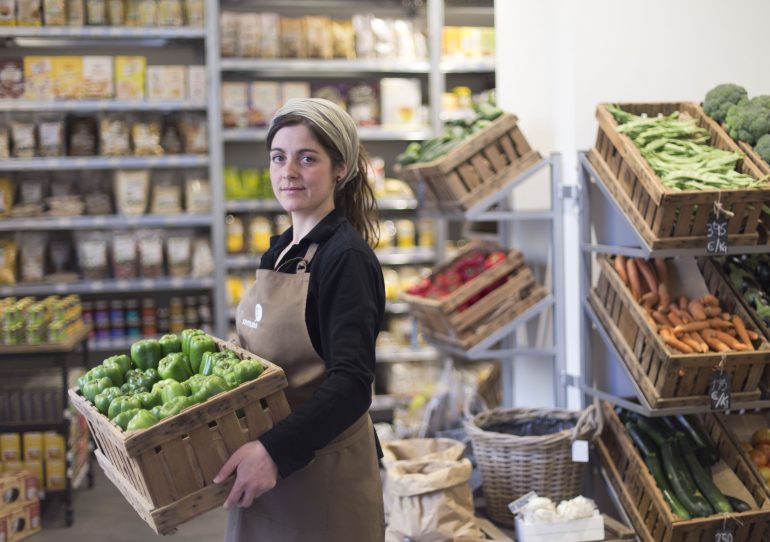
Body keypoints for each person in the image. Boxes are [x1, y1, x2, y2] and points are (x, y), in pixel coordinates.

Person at [214, 98, 386, 542]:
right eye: (278, 157)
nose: (288, 171)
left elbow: (351, 383)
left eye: (307, 158)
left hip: (321, 475)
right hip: (271, 468)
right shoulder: (282, 250)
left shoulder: (345, 259)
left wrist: (273, 450)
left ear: (340, 170)